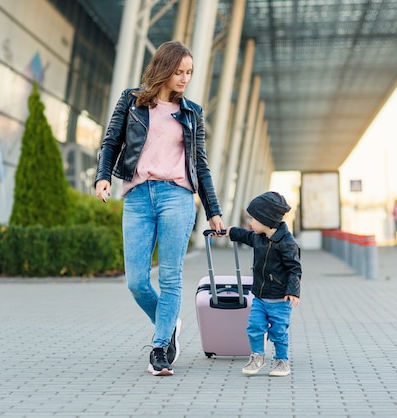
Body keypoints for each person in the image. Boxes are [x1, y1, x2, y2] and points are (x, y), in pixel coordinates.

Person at [94, 40, 224, 376]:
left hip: (176, 197)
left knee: (170, 277)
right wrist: (103, 177)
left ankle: (160, 347)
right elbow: (111, 141)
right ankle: (169, 324)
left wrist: (213, 209)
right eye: (179, 71)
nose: (184, 78)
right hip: (137, 196)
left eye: (189, 73)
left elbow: (201, 165)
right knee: (136, 281)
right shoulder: (132, 101)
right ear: (164, 69)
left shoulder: (192, 112)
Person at [217, 191, 301, 377]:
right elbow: (246, 236)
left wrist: (293, 291)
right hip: (260, 297)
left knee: (278, 332)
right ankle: (257, 356)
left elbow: (295, 268)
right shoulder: (259, 237)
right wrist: (230, 231)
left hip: (280, 300)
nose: (250, 222)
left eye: (253, 219)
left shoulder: (287, 243)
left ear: (266, 220)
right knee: (254, 327)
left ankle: (281, 361)